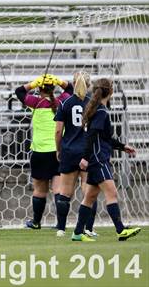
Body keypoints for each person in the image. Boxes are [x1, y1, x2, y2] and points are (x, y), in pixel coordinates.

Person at [72, 78, 141, 241]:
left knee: (89, 198)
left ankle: (77, 233)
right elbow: (92, 136)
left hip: (96, 158)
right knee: (112, 193)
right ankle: (120, 230)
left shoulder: (97, 109)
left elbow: (105, 138)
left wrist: (123, 146)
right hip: (98, 159)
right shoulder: (101, 112)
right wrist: (86, 158)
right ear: (110, 92)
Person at [15, 74, 73, 229]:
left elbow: (19, 91)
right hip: (58, 151)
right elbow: (70, 88)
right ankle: (61, 225)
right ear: (53, 88)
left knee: (40, 190)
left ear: (40, 88)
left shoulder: (35, 102)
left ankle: (36, 222)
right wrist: (59, 81)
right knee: (59, 190)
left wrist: (33, 83)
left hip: (40, 152)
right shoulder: (62, 101)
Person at [54, 71, 98, 237]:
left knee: (65, 191)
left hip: (69, 150)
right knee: (88, 192)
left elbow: (58, 131)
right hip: (87, 151)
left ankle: (61, 229)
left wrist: (59, 149)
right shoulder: (93, 104)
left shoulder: (65, 103)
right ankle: (88, 228)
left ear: (73, 82)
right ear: (89, 85)